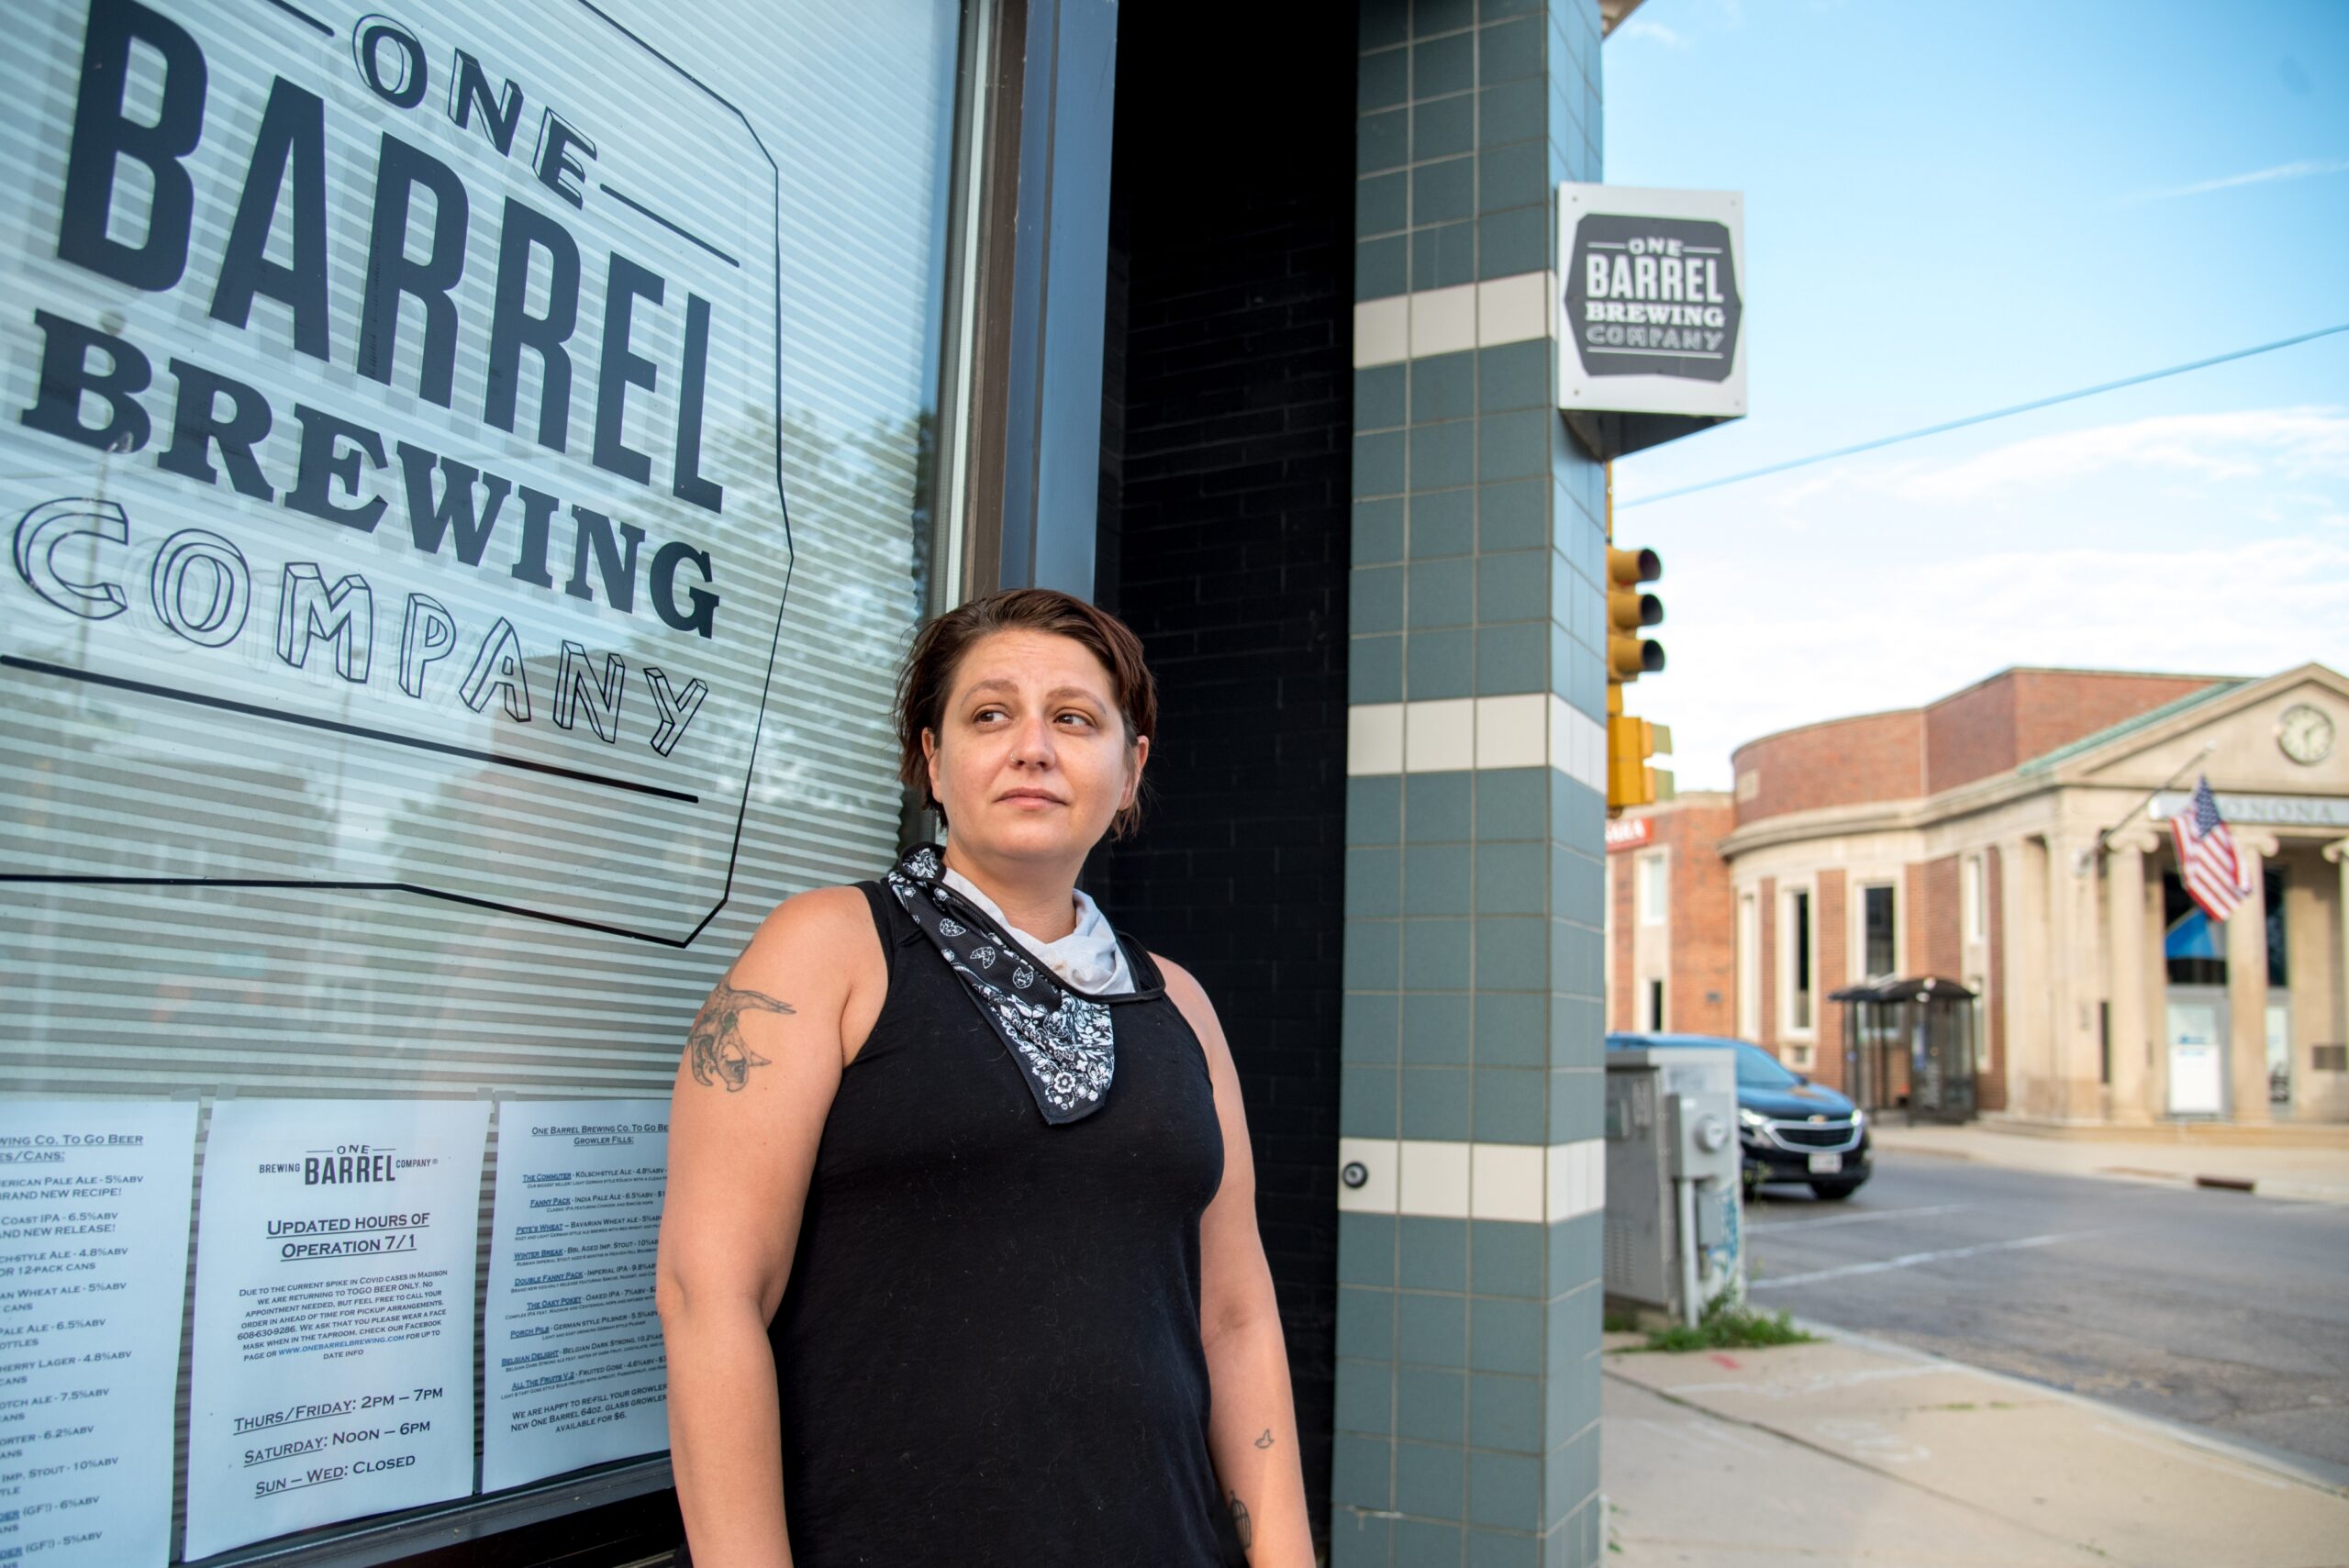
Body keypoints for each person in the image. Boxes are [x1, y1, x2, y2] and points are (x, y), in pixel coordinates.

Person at [656, 588, 1313, 1567]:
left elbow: (1235, 1317)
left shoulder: (1180, 1003)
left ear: (1130, 769)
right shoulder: (827, 949)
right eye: (991, 713)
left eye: (1074, 719)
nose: (1032, 747)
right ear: (933, 758)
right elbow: (708, 1292)